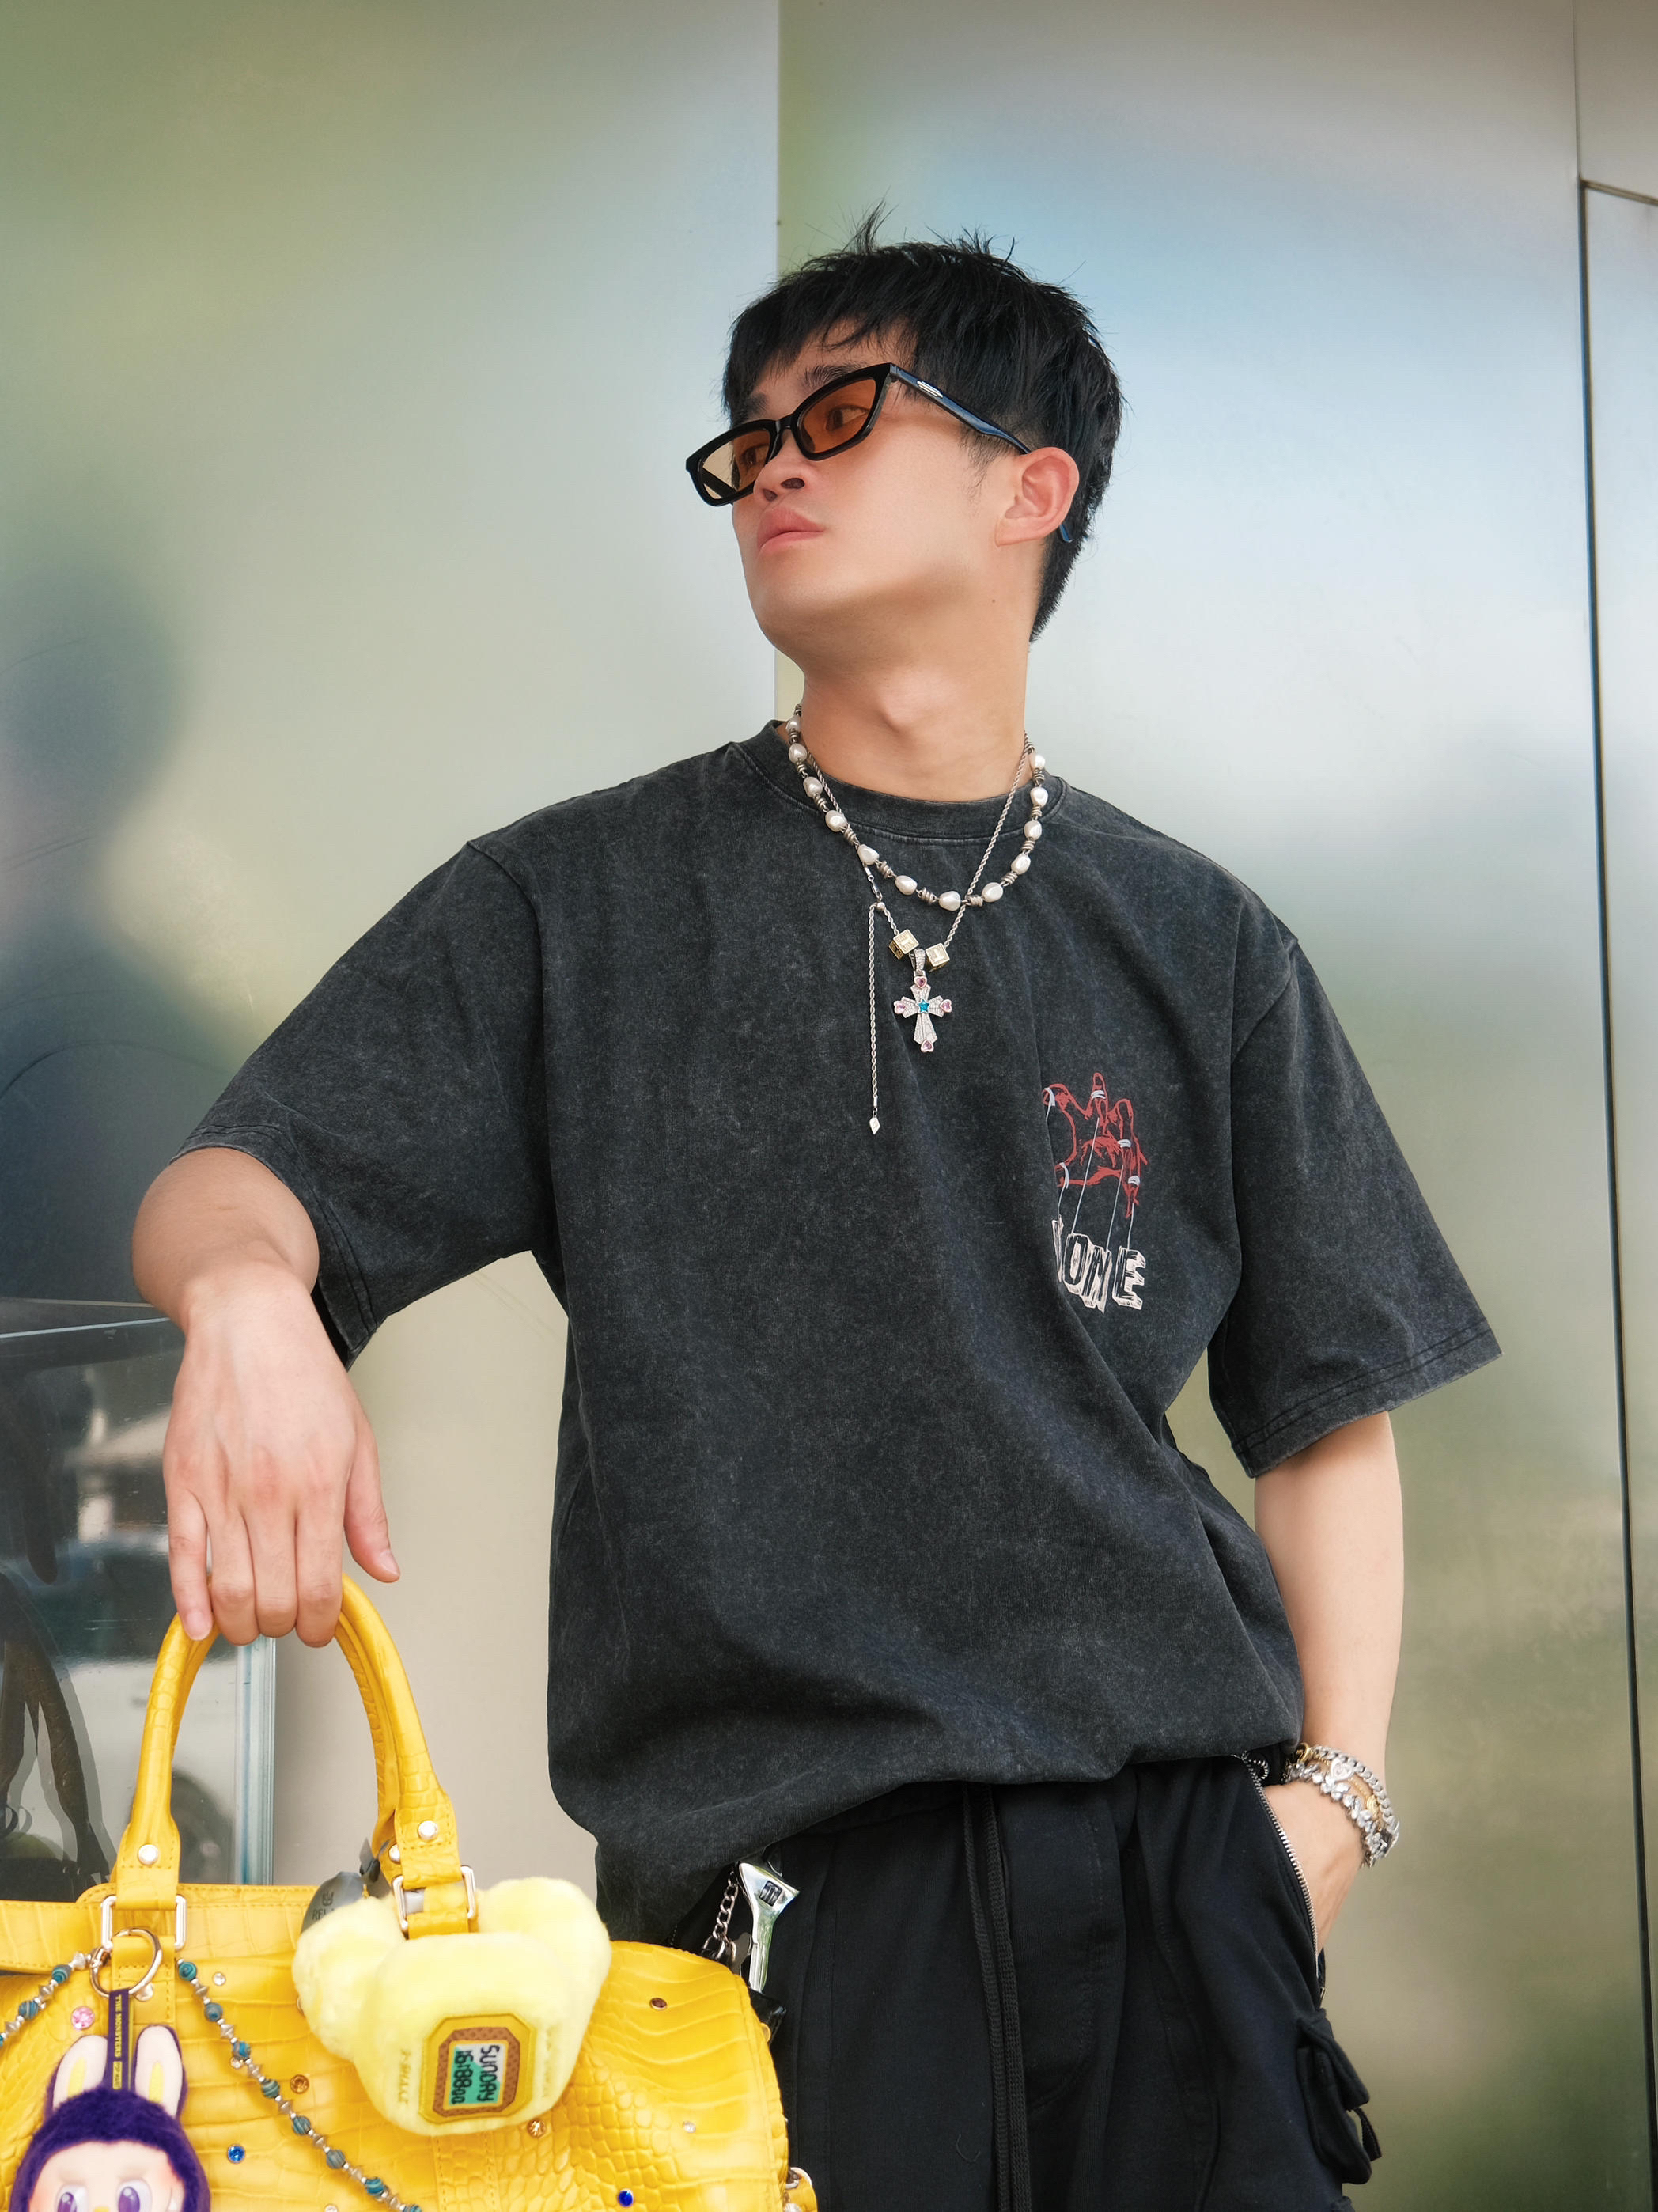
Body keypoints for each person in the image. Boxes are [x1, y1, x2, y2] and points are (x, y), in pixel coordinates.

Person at [132, 225, 1498, 2209]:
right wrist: (253, 1306)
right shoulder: (580, 902)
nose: (770, 458)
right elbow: (226, 1184)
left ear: (1033, 488)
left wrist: (1334, 1810)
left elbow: (1325, 1411)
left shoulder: (1200, 942)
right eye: (748, 436)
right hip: (784, 1929)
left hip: (1185, 1881)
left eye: (841, 411)